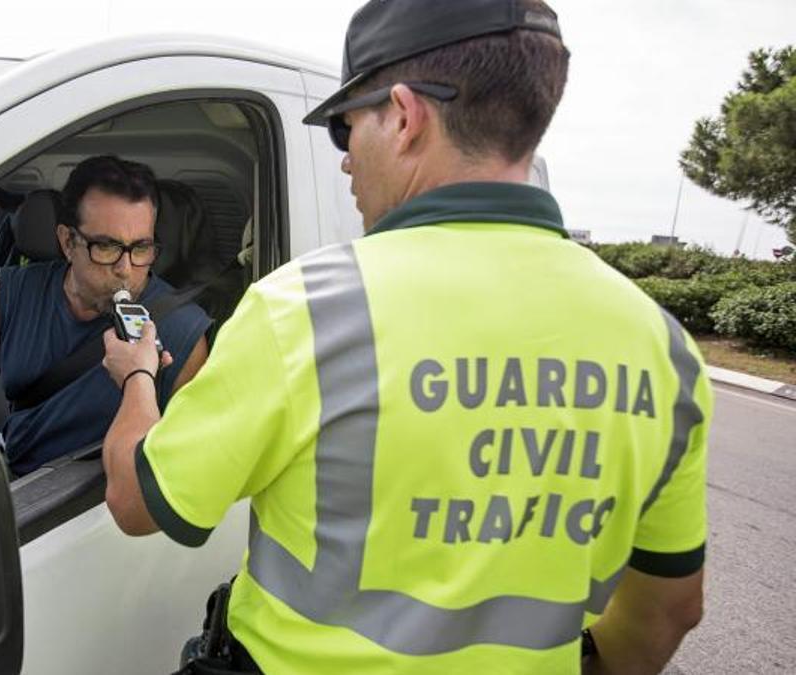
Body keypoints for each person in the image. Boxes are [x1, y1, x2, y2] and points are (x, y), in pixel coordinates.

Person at [99, 1, 712, 673]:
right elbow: (670, 608)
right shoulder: (664, 349)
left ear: (405, 115)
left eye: (344, 127)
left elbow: (135, 501)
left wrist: (134, 374)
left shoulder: (304, 312)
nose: (343, 161)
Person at [0, 155, 211, 475]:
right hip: (16, 491)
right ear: (68, 242)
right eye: (106, 247)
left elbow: (184, 468)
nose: (125, 270)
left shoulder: (183, 332)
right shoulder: (12, 293)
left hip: (91, 513)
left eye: (140, 249)